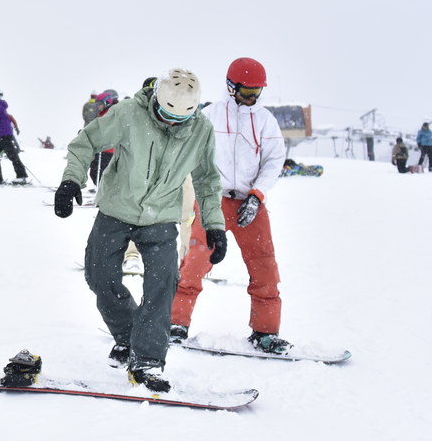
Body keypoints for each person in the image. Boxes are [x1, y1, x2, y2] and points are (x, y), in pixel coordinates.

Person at [54, 68, 225, 393]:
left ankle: (147, 359)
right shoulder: (129, 113)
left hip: (161, 217)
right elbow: (85, 141)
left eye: (180, 120)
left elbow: (207, 179)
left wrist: (215, 224)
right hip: (116, 210)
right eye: (165, 116)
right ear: (157, 101)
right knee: (99, 276)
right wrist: (70, 180)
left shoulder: (201, 129)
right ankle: (129, 336)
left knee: (162, 284)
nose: (172, 125)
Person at [170, 57, 290, 355]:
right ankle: (175, 323)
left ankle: (265, 332)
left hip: (251, 203)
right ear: (230, 87)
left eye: (257, 93)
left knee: (264, 267)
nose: (252, 99)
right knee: (195, 262)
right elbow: (191, 154)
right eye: (247, 93)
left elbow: (274, 161)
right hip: (214, 201)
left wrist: (257, 195)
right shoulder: (208, 116)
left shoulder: (265, 121)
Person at [0, 88, 29, 185]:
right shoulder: (0, 105)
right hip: (2, 135)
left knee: (11, 155)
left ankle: (21, 176)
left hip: (4, 135)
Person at [88, 89, 119, 187]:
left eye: (99, 104)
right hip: (100, 149)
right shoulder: (102, 113)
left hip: (108, 150)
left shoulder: (111, 113)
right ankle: (105, 194)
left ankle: (107, 196)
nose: (98, 106)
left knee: (100, 174)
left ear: (107, 102)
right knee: (94, 173)